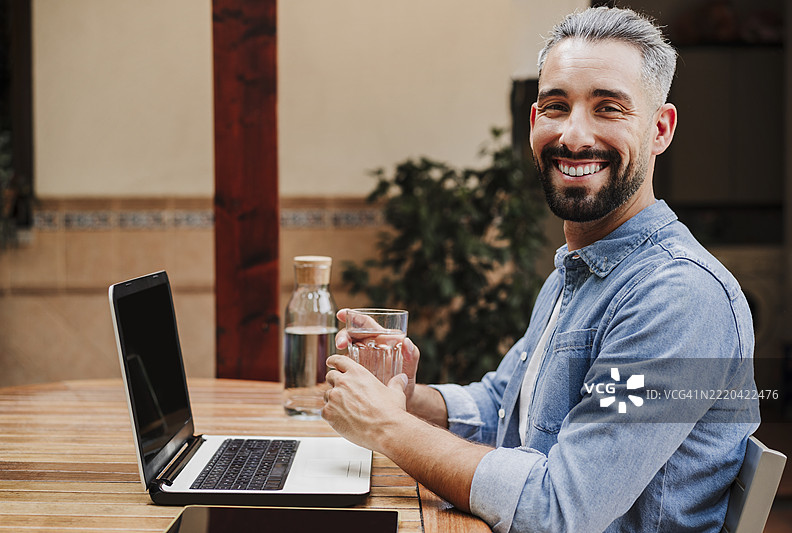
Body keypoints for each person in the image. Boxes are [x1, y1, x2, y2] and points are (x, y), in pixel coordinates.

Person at [321, 6, 759, 532]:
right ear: (534, 123)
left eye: (608, 108)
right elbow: (504, 407)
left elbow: (558, 509)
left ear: (660, 130)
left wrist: (388, 427)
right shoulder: (572, 274)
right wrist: (404, 396)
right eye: (557, 106)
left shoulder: (679, 297)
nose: (574, 136)